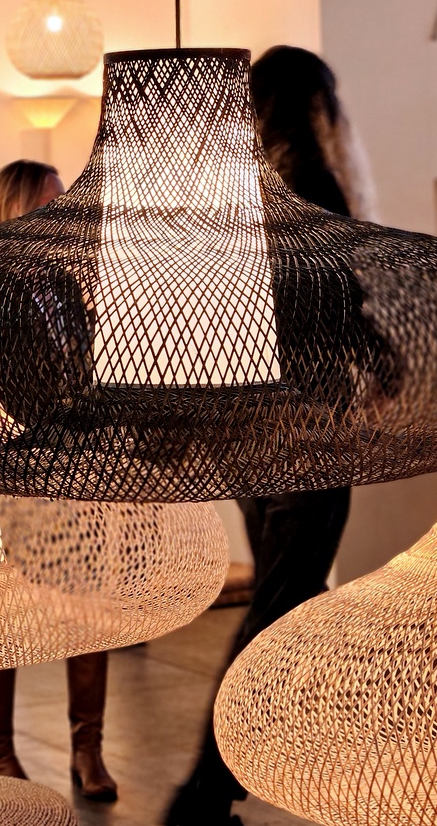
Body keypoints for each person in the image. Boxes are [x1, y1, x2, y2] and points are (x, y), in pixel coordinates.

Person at [165, 45, 379, 826]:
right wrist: (379, 360)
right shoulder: (314, 186)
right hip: (309, 431)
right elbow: (338, 308)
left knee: (289, 600)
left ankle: (289, 749)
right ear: (317, 107)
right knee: (280, 606)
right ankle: (203, 793)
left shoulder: (234, 194)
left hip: (248, 431)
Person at [0, 160, 118, 803]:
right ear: (15, 207)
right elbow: (8, 386)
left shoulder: (65, 286)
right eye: (50, 202)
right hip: (12, 471)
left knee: (90, 611)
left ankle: (88, 749)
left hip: (77, 469)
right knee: (2, 615)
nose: (63, 213)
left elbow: (83, 372)